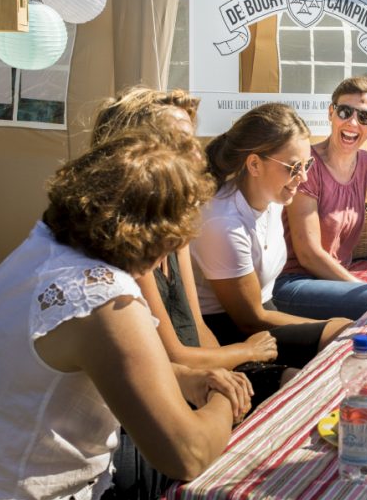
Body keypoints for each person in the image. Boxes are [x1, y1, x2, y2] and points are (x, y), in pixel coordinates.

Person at [0, 125, 252, 500]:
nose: (171, 258)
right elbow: (189, 453)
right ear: (154, 234)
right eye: (176, 239)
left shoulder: (45, 250)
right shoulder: (95, 296)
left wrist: (188, 379)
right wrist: (226, 400)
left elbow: (79, 365)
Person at [90, 87, 279, 374]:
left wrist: (233, 373)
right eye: (180, 142)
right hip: (171, 381)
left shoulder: (175, 227)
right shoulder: (124, 243)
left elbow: (198, 327)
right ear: (133, 152)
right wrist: (247, 351)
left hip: (203, 370)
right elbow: (173, 357)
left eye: (192, 140)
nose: (197, 153)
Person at [191, 103, 350, 387]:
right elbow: (250, 320)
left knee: (345, 332)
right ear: (254, 165)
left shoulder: (271, 197)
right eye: (294, 167)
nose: (303, 178)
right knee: (344, 334)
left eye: (308, 164)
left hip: (263, 313)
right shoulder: (224, 223)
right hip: (229, 332)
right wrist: (331, 325)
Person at [272, 76, 367, 321]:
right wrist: (363, 289)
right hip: (293, 283)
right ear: (331, 113)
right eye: (345, 111)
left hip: (335, 283)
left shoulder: (366, 164)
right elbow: (308, 255)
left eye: (364, 117)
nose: (353, 122)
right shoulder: (309, 165)